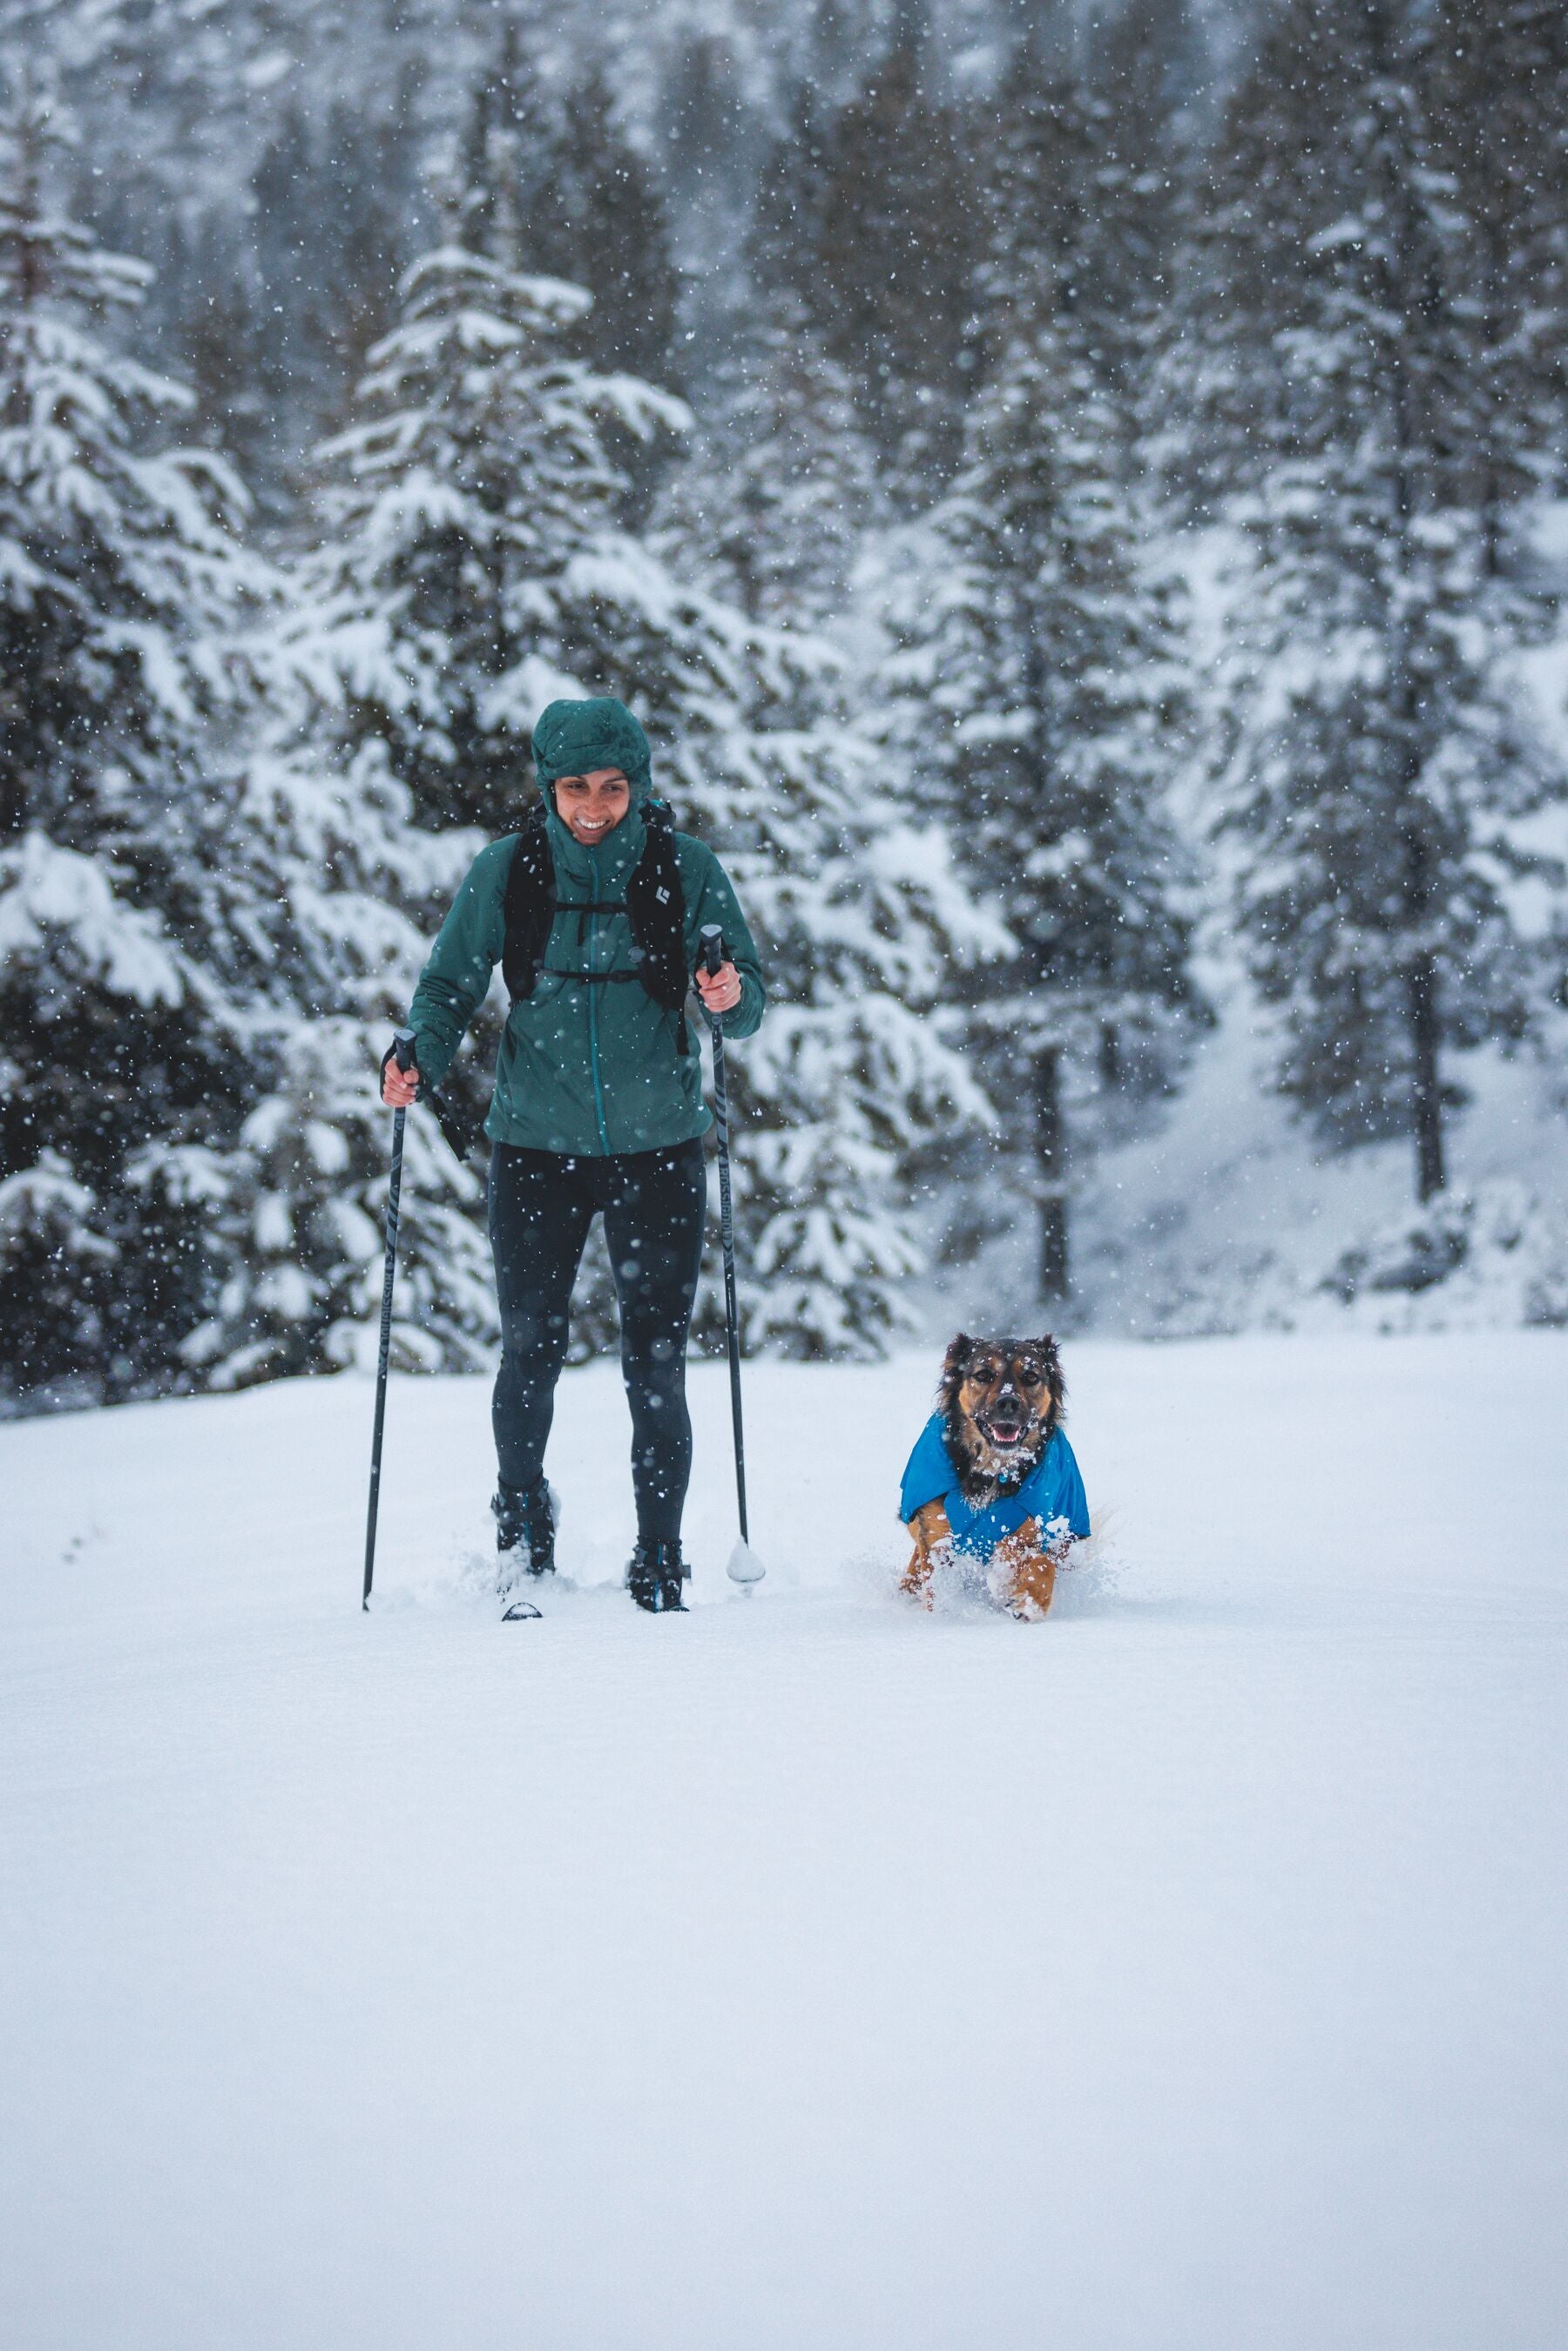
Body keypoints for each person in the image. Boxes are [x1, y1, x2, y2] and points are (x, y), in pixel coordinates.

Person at [381, 697, 765, 1612]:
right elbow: (447, 986)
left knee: (656, 1359)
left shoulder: (685, 870)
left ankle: (660, 1553)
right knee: (529, 1348)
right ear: (548, 789)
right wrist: (414, 1059)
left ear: (637, 786)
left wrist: (726, 988)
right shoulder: (508, 872)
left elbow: (746, 1008)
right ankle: (522, 1534)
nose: (593, 806)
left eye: (612, 787)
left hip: (659, 1148)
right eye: (574, 788)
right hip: (535, 1149)